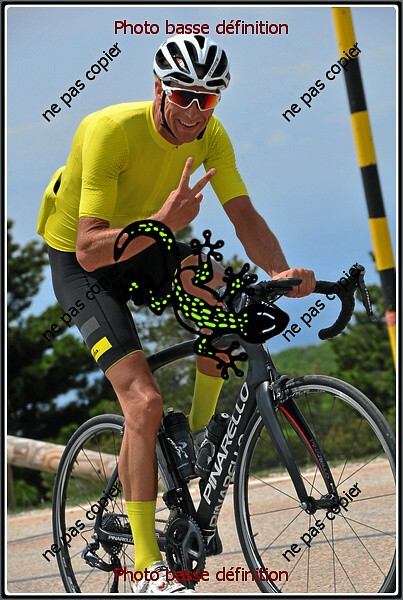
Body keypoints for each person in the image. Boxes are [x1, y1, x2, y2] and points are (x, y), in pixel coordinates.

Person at [37, 34, 315, 593]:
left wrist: (281, 271)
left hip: (147, 244)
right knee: (143, 402)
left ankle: (202, 437)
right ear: (159, 89)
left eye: (206, 99)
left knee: (228, 307)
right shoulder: (109, 130)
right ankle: (146, 568)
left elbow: (243, 215)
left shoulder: (212, 135)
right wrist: (165, 221)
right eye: (184, 95)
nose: (194, 111)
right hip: (84, 261)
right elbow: (90, 249)